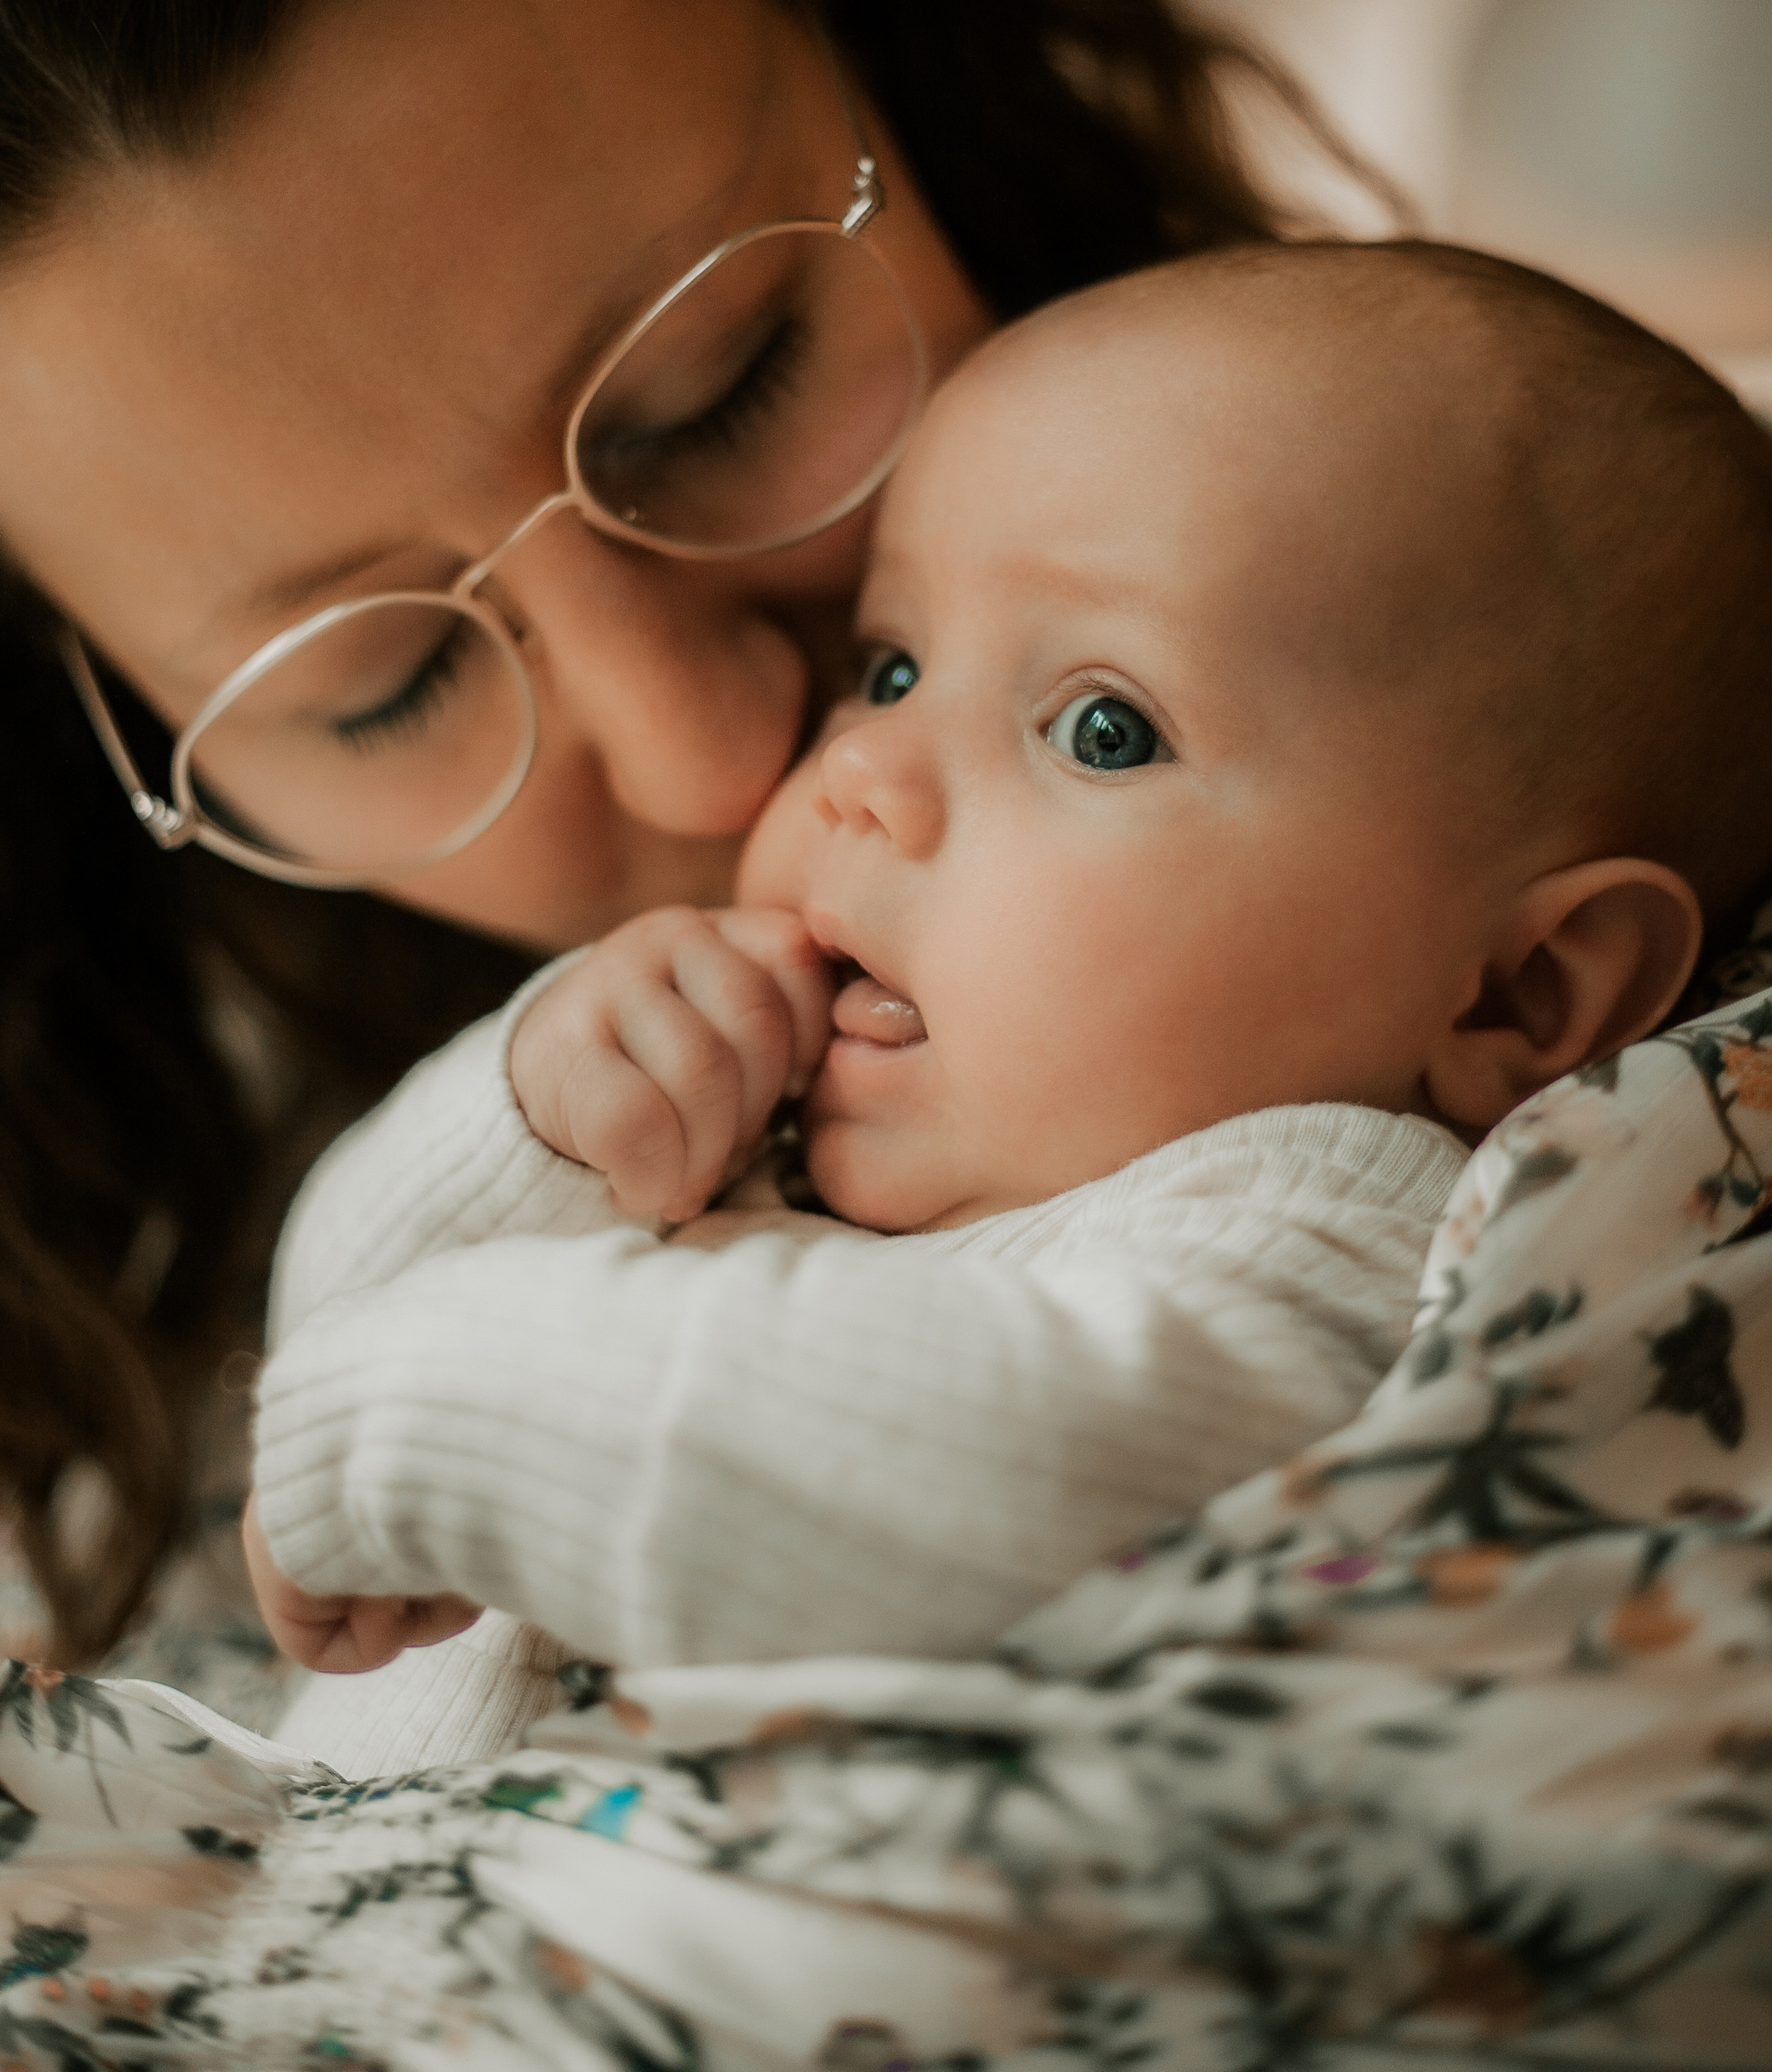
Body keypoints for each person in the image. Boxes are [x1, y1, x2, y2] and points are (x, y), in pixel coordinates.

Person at [0, 0, 1306, 1738]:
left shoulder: (1600, 667)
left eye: (724, 381)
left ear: (888, 40)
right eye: (371, 692)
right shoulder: (68, 1453)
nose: (715, 746)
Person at [237, 243, 1772, 1759]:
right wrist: (543, 1111)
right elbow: (319, 1340)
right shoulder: (769, 1104)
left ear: (1514, 993)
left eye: (1100, 726)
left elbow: (953, 1479)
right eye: (892, 667)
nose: (861, 774)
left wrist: (412, 1426)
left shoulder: (1320, 1248)